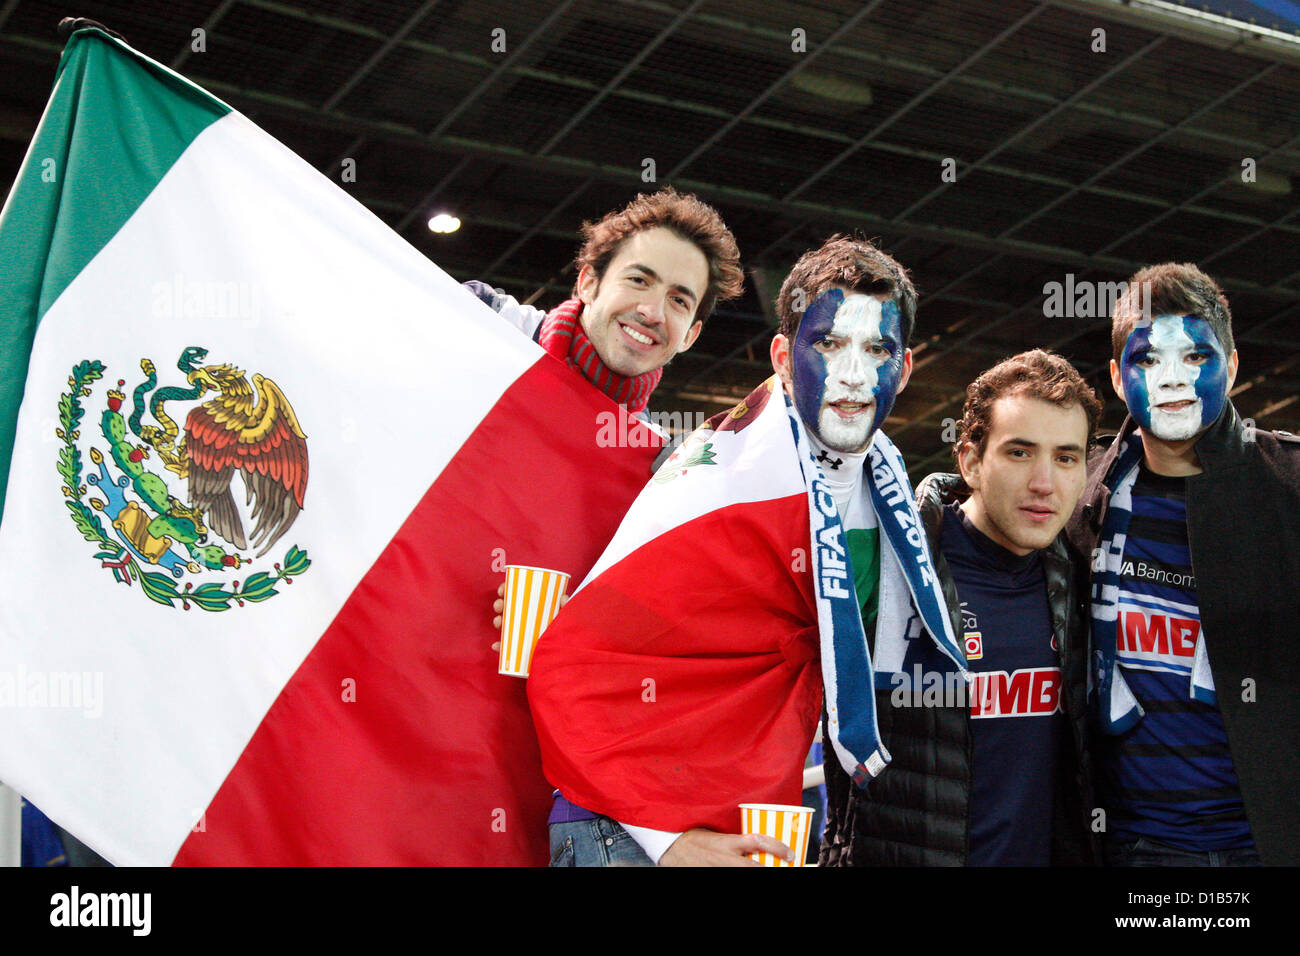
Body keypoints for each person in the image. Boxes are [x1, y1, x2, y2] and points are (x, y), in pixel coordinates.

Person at [527, 235, 963, 866]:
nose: (853, 375)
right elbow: (577, 659)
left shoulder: (888, 492)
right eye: (829, 344)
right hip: (628, 831)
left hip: (751, 824)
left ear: (905, 368)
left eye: (877, 350)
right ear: (783, 358)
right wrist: (667, 842)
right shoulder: (720, 480)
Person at [820, 350, 1102, 866]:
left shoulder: (1084, 579)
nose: (1045, 483)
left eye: (1066, 457)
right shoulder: (888, 566)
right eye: (1020, 453)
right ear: (970, 460)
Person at [1069, 262, 1300, 866]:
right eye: (1147, 361)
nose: (1172, 379)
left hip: (1268, 845)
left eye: (1195, 357)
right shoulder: (1077, 494)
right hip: (1132, 848)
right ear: (1118, 379)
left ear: (1233, 363)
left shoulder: (1292, 488)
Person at [464, 186, 743, 418]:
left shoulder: (649, 464)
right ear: (587, 284)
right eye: (638, 281)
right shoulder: (481, 319)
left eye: (678, 301)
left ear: (690, 337)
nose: (652, 312)